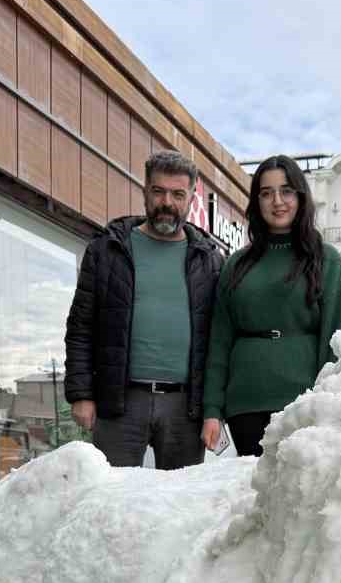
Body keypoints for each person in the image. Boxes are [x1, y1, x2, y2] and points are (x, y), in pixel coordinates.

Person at [64, 151, 224, 469]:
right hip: (120, 401)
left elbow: (219, 340)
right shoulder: (107, 250)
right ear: (144, 191)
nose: (167, 202)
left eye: (178, 194)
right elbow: (81, 326)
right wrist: (81, 393)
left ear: (191, 198)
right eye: (158, 191)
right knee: (112, 501)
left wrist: (214, 410)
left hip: (185, 407)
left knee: (179, 505)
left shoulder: (210, 260)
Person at [201, 155, 341, 458]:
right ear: (257, 201)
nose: (277, 201)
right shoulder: (237, 265)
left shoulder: (326, 260)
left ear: (300, 197)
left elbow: (338, 340)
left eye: (286, 191)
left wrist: (330, 401)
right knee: (251, 496)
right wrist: (212, 409)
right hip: (245, 404)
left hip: (305, 404)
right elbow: (219, 341)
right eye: (267, 192)